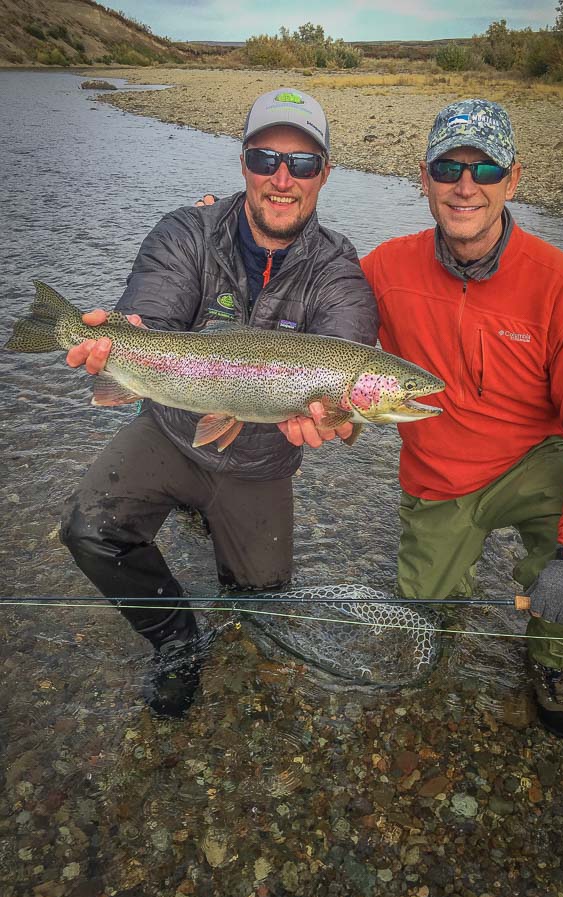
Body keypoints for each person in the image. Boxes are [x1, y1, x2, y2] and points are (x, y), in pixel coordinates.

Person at [60, 88, 379, 717]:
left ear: (325, 175)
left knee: (261, 600)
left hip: (260, 462)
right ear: (243, 164)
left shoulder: (339, 272)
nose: (282, 179)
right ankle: (175, 641)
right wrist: (121, 339)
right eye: (266, 159)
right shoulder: (188, 232)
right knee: (89, 528)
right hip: (172, 431)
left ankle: (219, 538)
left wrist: (338, 421)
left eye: (303, 164)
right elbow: (150, 312)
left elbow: (348, 351)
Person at [361, 98, 563, 749]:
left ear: (512, 179)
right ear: (424, 176)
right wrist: (224, 233)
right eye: (448, 167)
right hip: (438, 471)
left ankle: (552, 662)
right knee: (424, 621)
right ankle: (433, 651)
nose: (466, 186)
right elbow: (306, 319)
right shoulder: (383, 270)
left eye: (486, 168)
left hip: (534, 460)